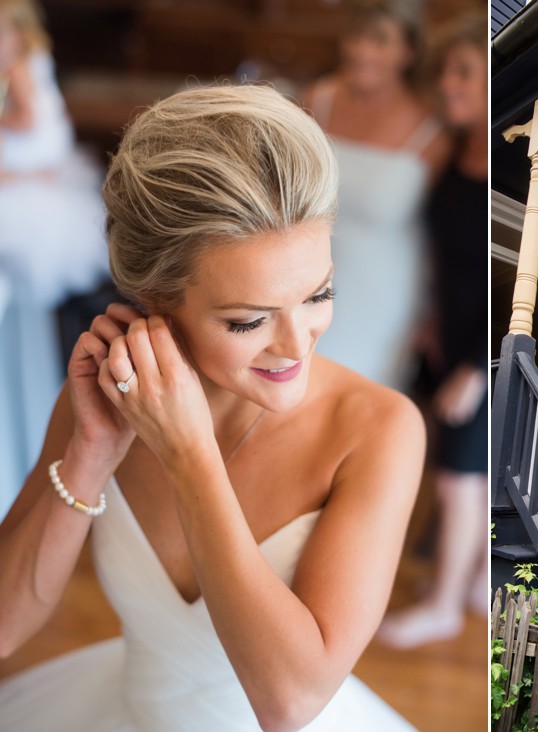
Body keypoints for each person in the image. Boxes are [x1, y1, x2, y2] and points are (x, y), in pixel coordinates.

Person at [0, 84, 424, 730]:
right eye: (249, 320)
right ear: (156, 298)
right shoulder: (105, 400)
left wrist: (189, 454)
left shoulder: (379, 430)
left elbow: (290, 702)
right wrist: (88, 454)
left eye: (318, 294)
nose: (296, 344)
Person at [376, 12, 488, 649]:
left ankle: (446, 605)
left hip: (482, 350)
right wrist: (427, 318)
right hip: (446, 337)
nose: (449, 83)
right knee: (448, 467)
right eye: (446, 71)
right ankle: (468, 579)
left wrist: (476, 367)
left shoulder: (498, 155)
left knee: (458, 476)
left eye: (464, 73)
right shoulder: (452, 150)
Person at [302, 0, 450, 390]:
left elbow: (441, 230)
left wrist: (433, 312)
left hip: (383, 297)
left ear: (409, 51)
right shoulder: (317, 99)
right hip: (304, 280)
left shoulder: (433, 131)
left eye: (380, 40)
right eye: (357, 36)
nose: (362, 51)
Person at [0, 0, 107, 308]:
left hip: (27, 144)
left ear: (20, 34)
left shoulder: (16, 67)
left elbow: (27, 119)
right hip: (42, 148)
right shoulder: (34, 58)